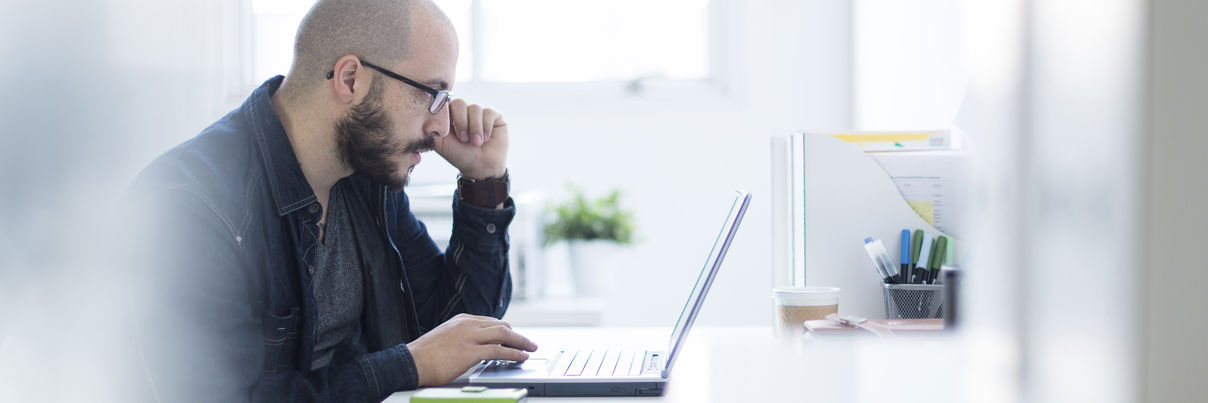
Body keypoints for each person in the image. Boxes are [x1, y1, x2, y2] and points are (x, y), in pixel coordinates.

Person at [126, 0, 535, 401]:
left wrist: (483, 181)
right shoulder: (188, 205)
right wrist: (408, 366)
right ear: (351, 80)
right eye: (431, 94)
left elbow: (454, 335)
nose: (441, 125)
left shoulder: (368, 176)